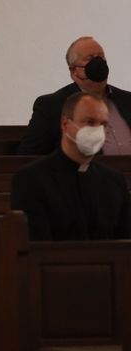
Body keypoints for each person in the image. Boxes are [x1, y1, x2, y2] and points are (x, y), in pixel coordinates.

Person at [11, 92, 131, 241]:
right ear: (65, 124)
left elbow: (124, 245)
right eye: (90, 122)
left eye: (103, 125)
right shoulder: (31, 179)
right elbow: (36, 247)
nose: (98, 131)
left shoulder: (114, 181)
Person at [16, 36, 131, 155]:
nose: (98, 63)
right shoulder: (51, 105)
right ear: (73, 70)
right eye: (89, 58)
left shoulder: (128, 100)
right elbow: (28, 156)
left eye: (101, 57)